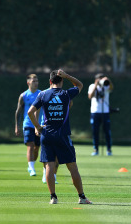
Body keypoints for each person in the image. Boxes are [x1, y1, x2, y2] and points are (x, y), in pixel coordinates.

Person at [28, 69, 92, 204]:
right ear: (61, 80)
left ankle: (53, 198)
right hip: (63, 135)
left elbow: (30, 112)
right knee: (72, 167)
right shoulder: (66, 94)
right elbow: (80, 85)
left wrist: (37, 127)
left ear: (50, 82)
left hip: (46, 134)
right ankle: (82, 197)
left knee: (49, 166)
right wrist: (67, 75)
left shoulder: (43, 94)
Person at [15, 74, 41, 176]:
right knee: (30, 146)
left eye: (37, 81)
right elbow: (18, 111)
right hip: (28, 124)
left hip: (38, 125)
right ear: (28, 82)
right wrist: (17, 126)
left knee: (36, 148)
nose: (36, 83)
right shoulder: (23, 96)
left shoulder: (41, 94)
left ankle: (31, 165)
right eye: (34, 81)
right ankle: (31, 168)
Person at [88, 73, 114, 156]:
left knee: (107, 131)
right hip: (95, 111)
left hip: (105, 112)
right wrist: (96, 84)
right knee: (95, 131)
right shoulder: (92, 86)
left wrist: (108, 80)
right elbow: (90, 96)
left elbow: (111, 88)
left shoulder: (106, 86)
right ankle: (95, 149)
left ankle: (109, 149)